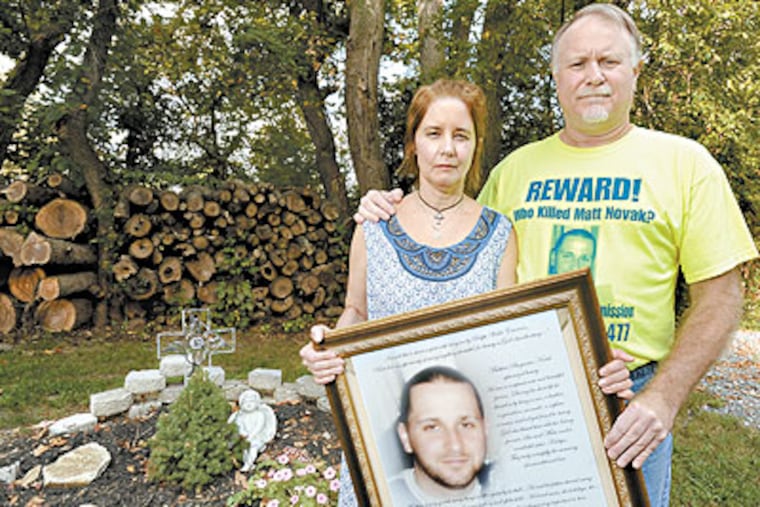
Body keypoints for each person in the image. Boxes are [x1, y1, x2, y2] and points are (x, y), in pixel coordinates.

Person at [354, 4, 759, 506]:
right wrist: (387, 208)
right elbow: (453, 245)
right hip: (522, 396)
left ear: (635, 70)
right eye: (577, 63)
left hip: (628, 401)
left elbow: (720, 297)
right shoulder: (515, 171)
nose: (593, 76)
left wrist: (664, 397)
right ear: (556, 76)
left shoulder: (686, 165)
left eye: (608, 62)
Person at [300, 78, 633, 506]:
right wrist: (329, 348)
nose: (447, 148)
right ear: (413, 143)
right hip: (383, 440)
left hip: (464, 454)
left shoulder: (499, 233)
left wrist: (592, 372)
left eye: (461, 135)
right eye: (434, 133)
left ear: (475, 146)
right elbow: (356, 310)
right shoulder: (374, 225)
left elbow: (510, 343)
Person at [390, 366, 489, 505]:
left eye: (466, 425)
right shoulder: (382, 497)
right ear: (405, 437)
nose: (455, 445)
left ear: (485, 429)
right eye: (432, 427)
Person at [228, 389, 277, 472]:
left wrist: (252, 435)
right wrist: (243, 433)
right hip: (245, 438)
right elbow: (239, 426)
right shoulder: (240, 416)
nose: (249, 404)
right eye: (245, 402)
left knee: (253, 446)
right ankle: (248, 463)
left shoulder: (259, 414)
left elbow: (259, 426)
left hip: (257, 437)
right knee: (244, 449)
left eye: (251, 402)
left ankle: (248, 464)